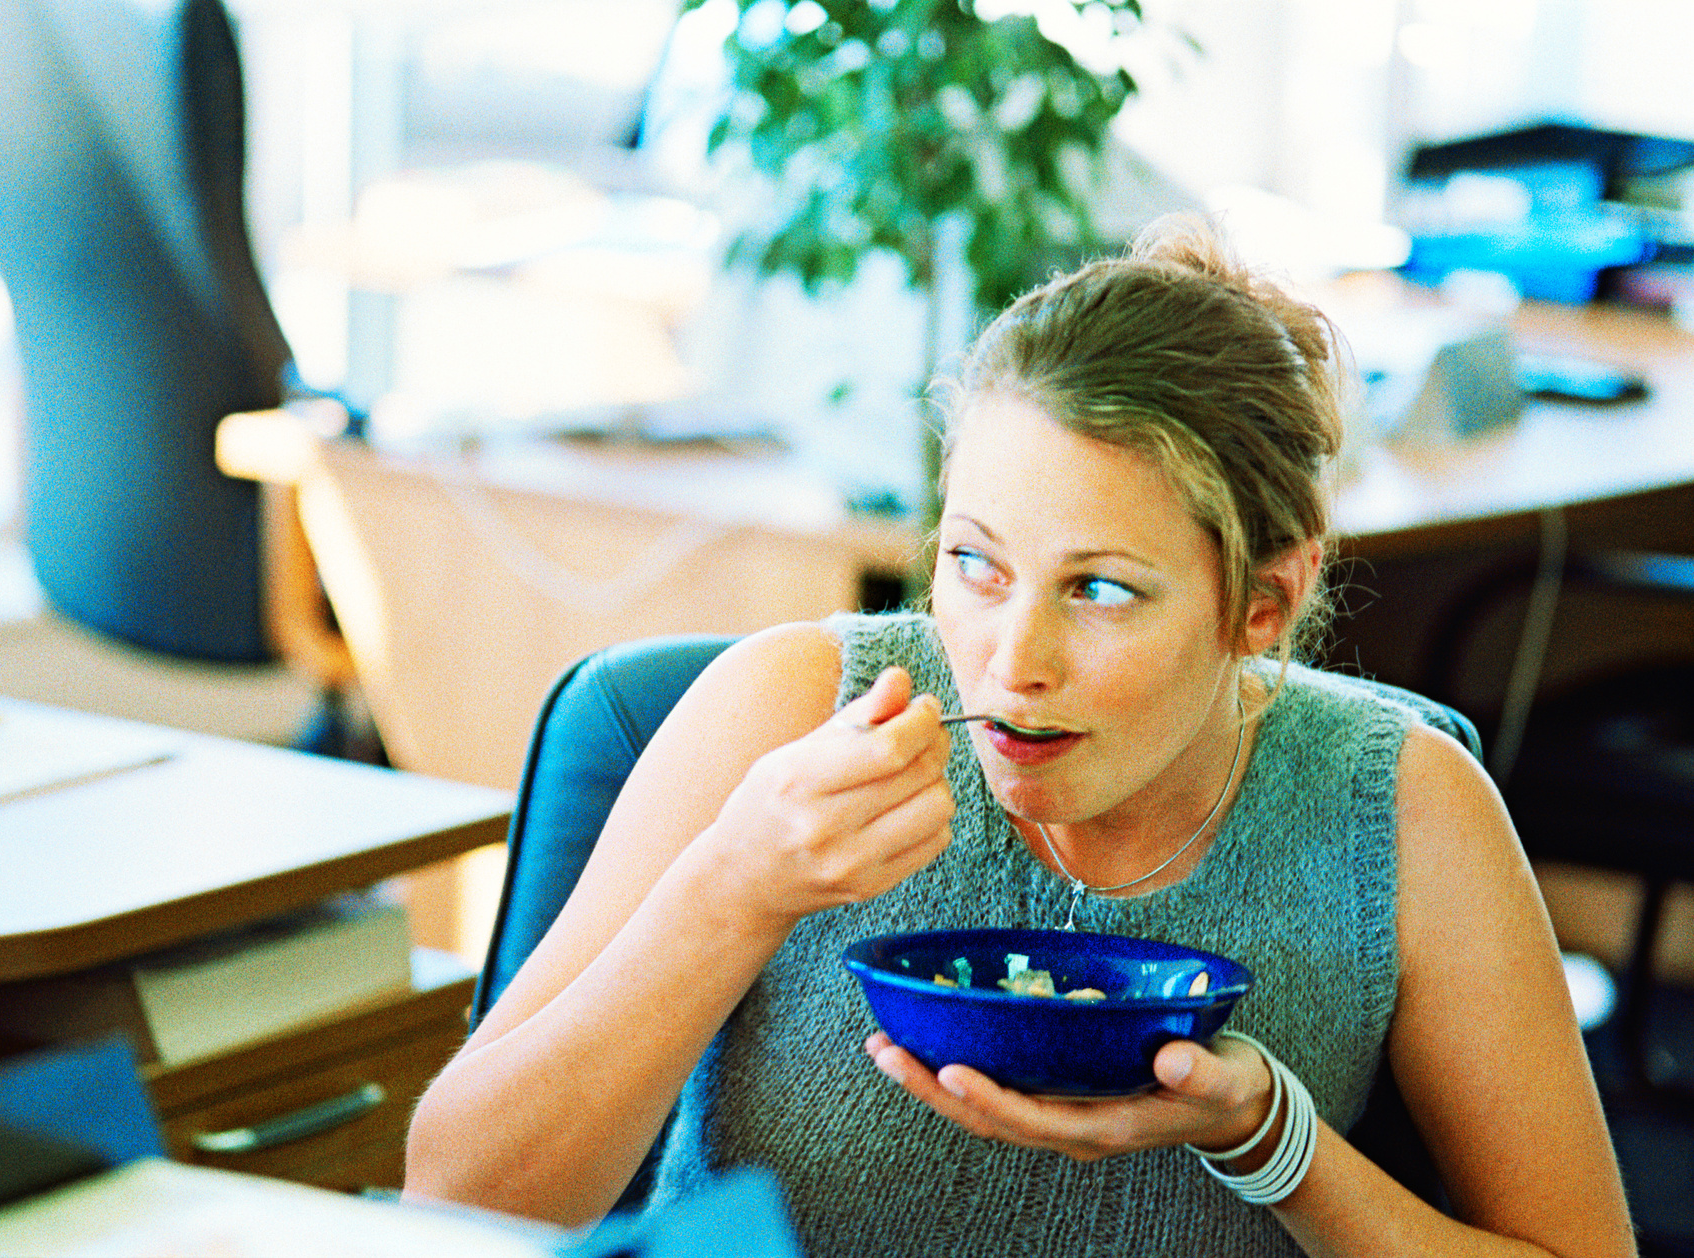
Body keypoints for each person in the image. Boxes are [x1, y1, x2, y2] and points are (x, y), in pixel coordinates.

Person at [403, 215, 1635, 1257]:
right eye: (973, 565)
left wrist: (1271, 1137)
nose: (1010, 658)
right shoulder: (784, 710)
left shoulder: (1399, 807)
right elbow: (452, 1201)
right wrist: (732, 886)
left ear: (1258, 604)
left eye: (1098, 589)